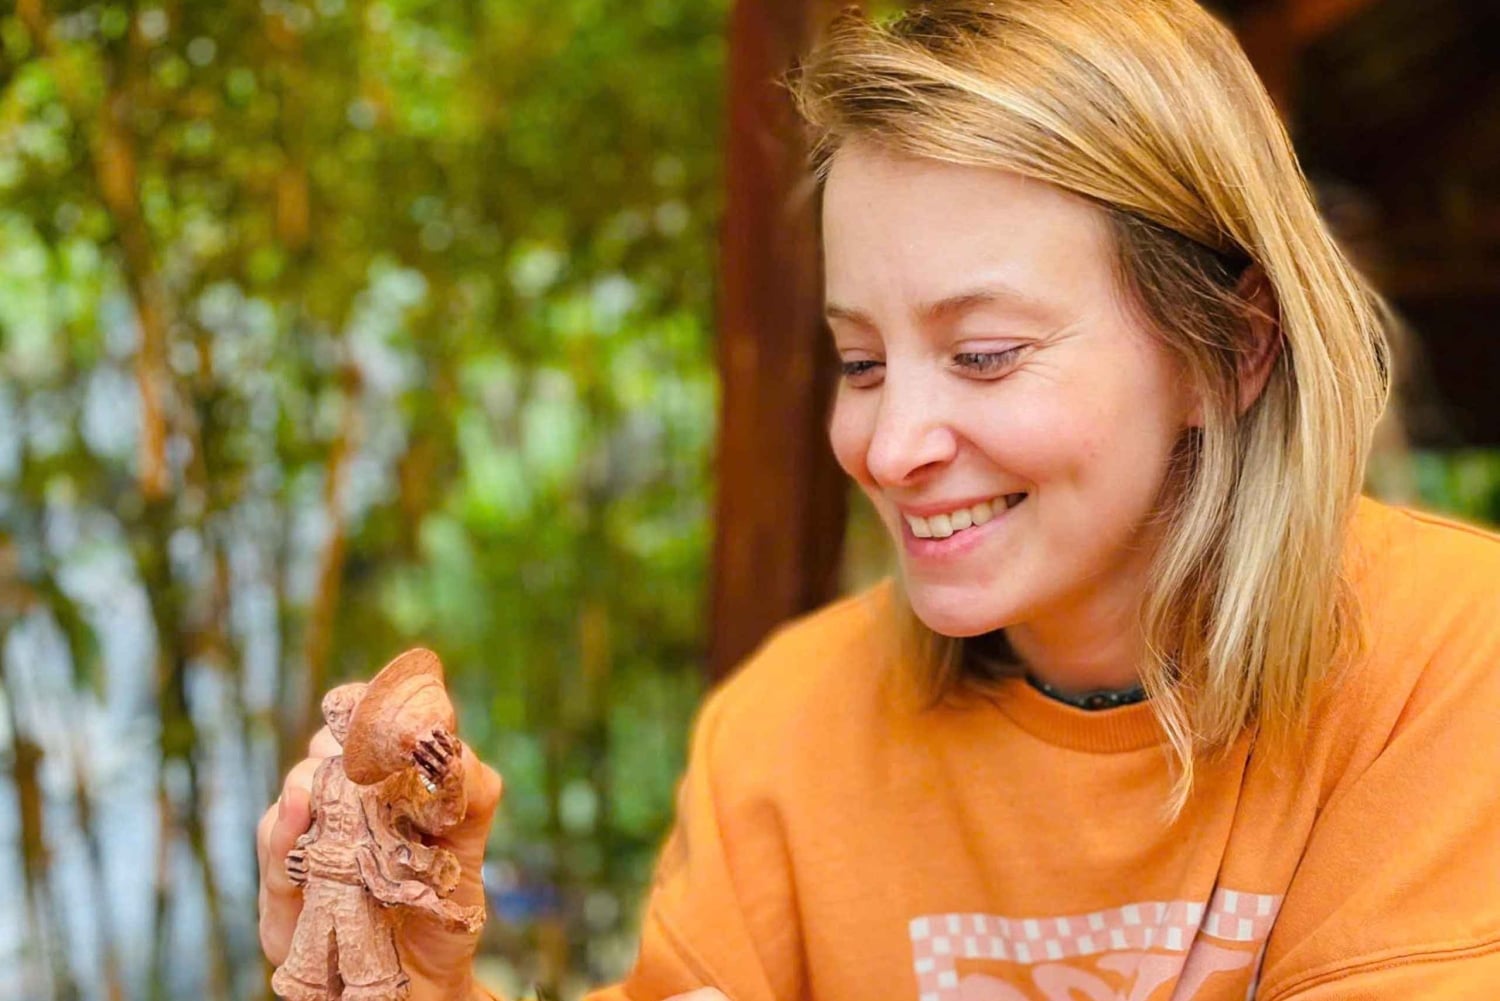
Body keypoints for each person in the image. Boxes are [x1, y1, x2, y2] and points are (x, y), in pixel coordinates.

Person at [258, 1, 1500, 998]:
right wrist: (429, 979)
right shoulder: (785, 732)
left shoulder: (1449, 658)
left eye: (985, 354)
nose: (889, 445)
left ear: (1231, 353)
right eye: (860, 362)